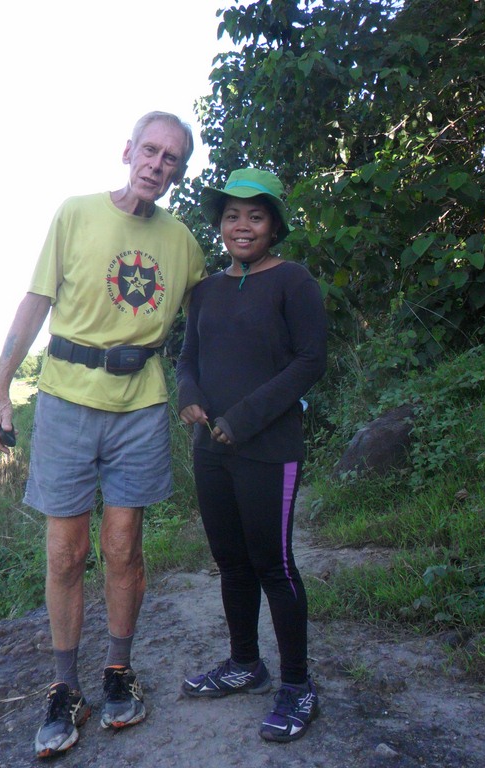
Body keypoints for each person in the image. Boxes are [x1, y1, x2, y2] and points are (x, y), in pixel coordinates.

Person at [0, 111, 206, 758]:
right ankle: (64, 687)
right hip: (65, 401)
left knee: (123, 546)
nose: (157, 164)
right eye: (150, 150)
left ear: (179, 171)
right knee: (64, 551)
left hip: (141, 406)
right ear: (127, 150)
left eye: (171, 158)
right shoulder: (75, 213)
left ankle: (117, 671)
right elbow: (34, 303)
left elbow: (210, 323)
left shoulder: (183, 242)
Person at [175, 168, 327, 743]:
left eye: (255, 216)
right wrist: (189, 394)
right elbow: (187, 357)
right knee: (231, 562)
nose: (242, 226)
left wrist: (243, 418)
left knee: (274, 564)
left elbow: (310, 361)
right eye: (232, 216)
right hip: (210, 451)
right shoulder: (206, 290)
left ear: (274, 225)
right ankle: (245, 663)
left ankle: (298, 685)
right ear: (220, 224)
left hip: (270, 450)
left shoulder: (293, 281)